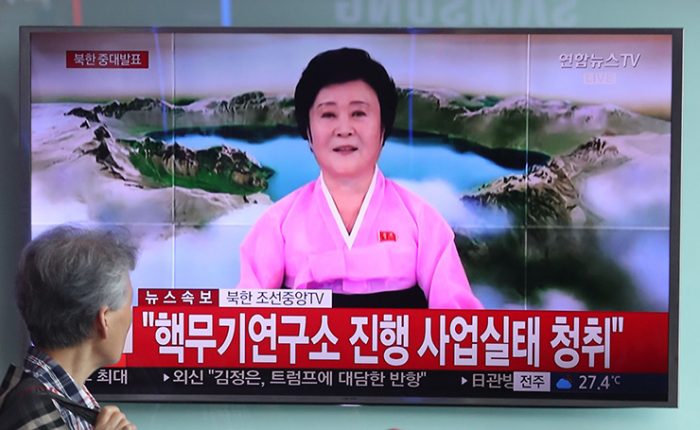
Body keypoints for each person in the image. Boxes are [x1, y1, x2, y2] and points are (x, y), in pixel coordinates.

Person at [237, 47, 482, 309]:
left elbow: (459, 322)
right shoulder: (276, 224)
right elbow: (244, 318)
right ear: (308, 131)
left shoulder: (423, 221)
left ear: (383, 127)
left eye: (359, 113)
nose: (344, 129)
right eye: (328, 114)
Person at [0, 225, 138, 429]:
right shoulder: (31, 410)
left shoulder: (44, 398)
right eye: (129, 305)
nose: (131, 316)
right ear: (104, 320)